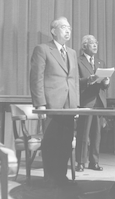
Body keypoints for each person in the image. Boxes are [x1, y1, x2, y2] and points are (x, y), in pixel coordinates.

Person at [30, 17, 79, 187]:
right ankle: (50, 178)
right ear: (53, 31)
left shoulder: (72, 52)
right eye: (64, 27)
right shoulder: (43, 49)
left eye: (69, 28)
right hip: (51, 104)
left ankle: (61, 176)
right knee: (51, 141)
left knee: (66, 141)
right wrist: (40, 104)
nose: (68, 31)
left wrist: (76, 105)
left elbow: (74, 81)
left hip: (69, 106)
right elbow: (36, 78)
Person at [75, 35, 110, 172]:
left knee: (96, 134)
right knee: (83, 133)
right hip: (86, 101)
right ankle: (80, 162)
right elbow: (75, 81)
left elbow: (104, 85)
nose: (95, 45)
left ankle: (94, 162)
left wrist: (106, 83)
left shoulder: (100, 62)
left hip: (99, 102)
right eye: (91, 43)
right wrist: (88, 80)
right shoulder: (78, 61)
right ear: (84, 46)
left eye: (96, 43)